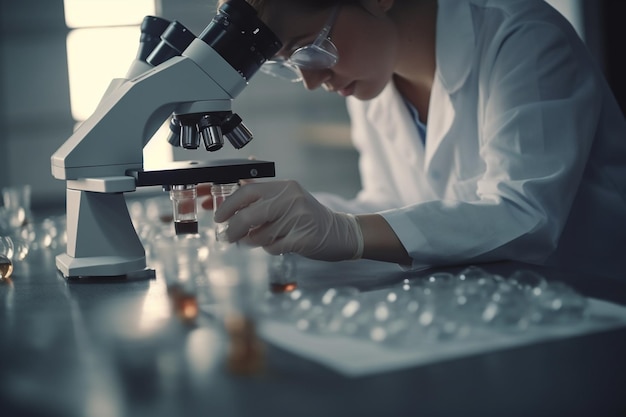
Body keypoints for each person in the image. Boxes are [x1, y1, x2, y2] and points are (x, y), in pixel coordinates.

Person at [200, 0, 626, 280]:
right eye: (290, 63)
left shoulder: (520, 36)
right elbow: (390, 210)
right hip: (493, 315)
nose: (311, 81)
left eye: (307, 47)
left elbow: (524, 217)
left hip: (593, 308)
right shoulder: (367, 80)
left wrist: (344, 230)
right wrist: (283, 221)